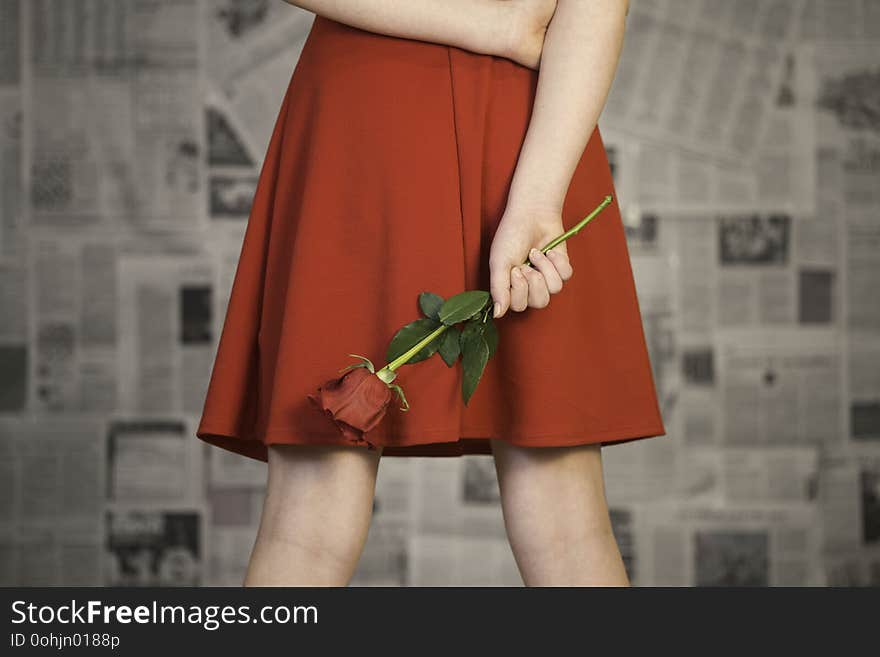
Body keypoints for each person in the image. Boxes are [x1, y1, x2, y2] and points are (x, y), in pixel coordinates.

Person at [197, 0, 666, 587]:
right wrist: (496, 27)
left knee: (310, 522)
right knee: (566, 522)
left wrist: (538, 198)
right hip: (519, 115)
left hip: (401, 117)